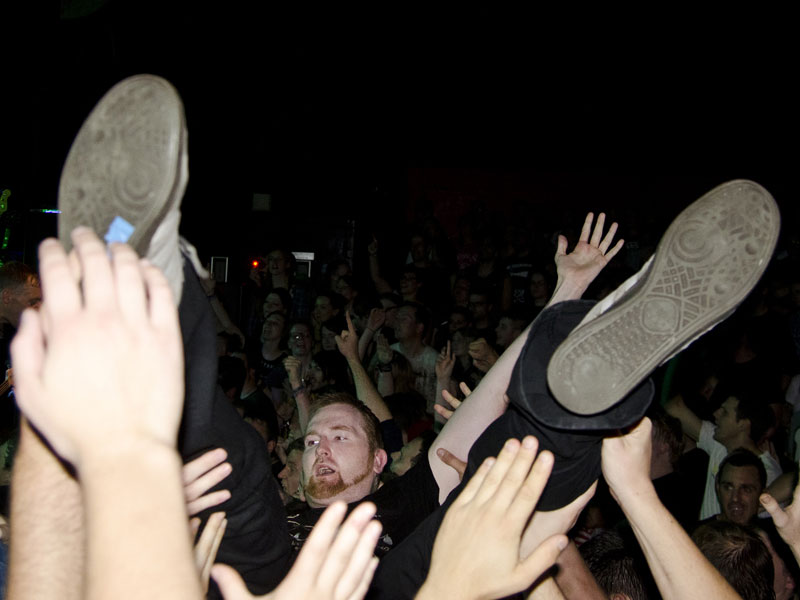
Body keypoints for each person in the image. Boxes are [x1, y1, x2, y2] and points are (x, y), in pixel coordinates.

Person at [667, 390, 782, 519]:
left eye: (725, 412)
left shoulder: (769, 473)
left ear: (743, 424)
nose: (716, 414)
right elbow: (674, 408)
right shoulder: (719, 444)